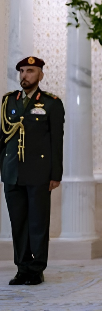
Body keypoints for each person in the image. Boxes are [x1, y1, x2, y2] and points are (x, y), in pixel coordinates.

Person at [1, 57, 64, 286]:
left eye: (30, 71)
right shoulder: (9, 101)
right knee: (18, 223)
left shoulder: (51, 103)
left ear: (40, 75)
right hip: (12, 172)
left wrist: (55, 174)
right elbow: (3, 137)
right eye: (22, 71)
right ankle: (22, 268)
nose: (24, 75)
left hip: (39, 172)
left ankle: (36, 269)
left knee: (37, 223)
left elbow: (56, 141)